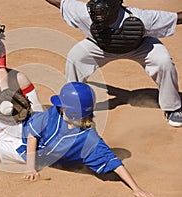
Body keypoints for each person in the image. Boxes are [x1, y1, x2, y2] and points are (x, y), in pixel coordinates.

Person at [0, 82, 155, 197]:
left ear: (70, 110)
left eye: (61, 104)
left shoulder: (89, 140)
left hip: (19, 147)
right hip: (22, 133)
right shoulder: (55, 113)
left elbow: (115, 163)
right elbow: (32, 135)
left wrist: (137, 189)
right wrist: (29, 167)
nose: (57, 106)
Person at [44, 0, 182, 127]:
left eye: (102, 11)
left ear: (116, 7)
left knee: (163, 61)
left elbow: (176, 18)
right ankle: (73, 106)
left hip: (140, 46)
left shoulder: (141, 18)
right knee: (75, 57)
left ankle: (172, 107)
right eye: (96, 10)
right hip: (100, 46)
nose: (98, 14)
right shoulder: (84, 12)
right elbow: (60, 2)